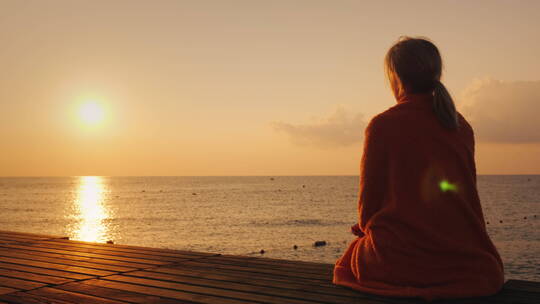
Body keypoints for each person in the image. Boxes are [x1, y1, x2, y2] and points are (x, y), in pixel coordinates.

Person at [333, 37, 505, 302]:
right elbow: (466, 196)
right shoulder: (460, 126)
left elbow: (368, 207)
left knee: (350, 259)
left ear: (395, 76)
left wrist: (367, 228)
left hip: (399, 260)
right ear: (436, 73)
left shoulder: (383, 125)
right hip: (466, 262)